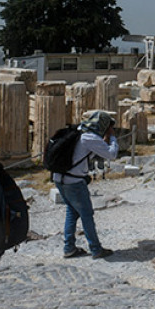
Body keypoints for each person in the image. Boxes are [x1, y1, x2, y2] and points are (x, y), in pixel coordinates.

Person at [53, 110, 117, 260]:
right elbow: (111, 154)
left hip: (59, 177)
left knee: (72, 211)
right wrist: (113, 137)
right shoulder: (90, 138)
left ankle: (69, 247)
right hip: (74, 182)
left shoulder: (79, 130)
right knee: (86, 214)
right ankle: (96, 248)